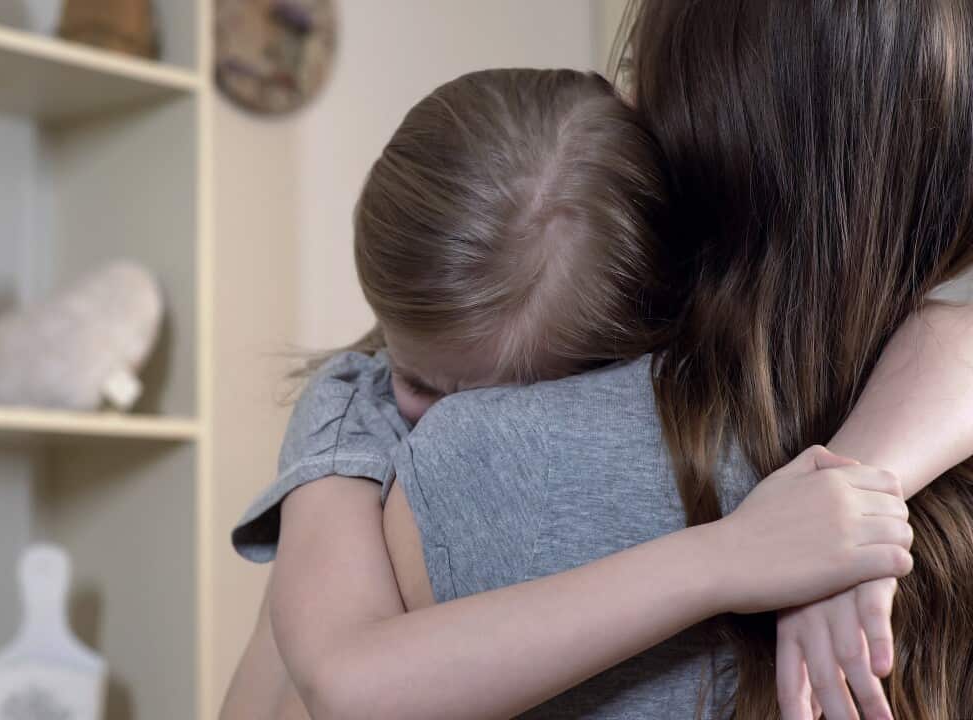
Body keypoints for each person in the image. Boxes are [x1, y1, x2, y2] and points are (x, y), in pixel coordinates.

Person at [219, 44, 965, 719]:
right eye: (417, 376)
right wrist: (728, 556)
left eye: (496, 401)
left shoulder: (712, 366)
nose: (434, 417)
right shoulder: (354, 407)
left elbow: (955, 334)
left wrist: (857, 495)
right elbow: (349, 686)